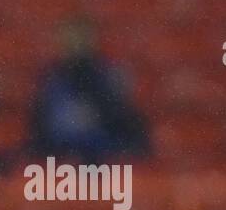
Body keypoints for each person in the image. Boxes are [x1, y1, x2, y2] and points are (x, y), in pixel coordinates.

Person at [27, 16, 150, 164]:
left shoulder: (108, 74)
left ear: (93, 40)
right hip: (59, 155)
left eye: (81, 37)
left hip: (103, 153)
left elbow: (123, 120)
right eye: (71, 38)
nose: (76, 44)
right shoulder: (50, 77)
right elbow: (41, 124)